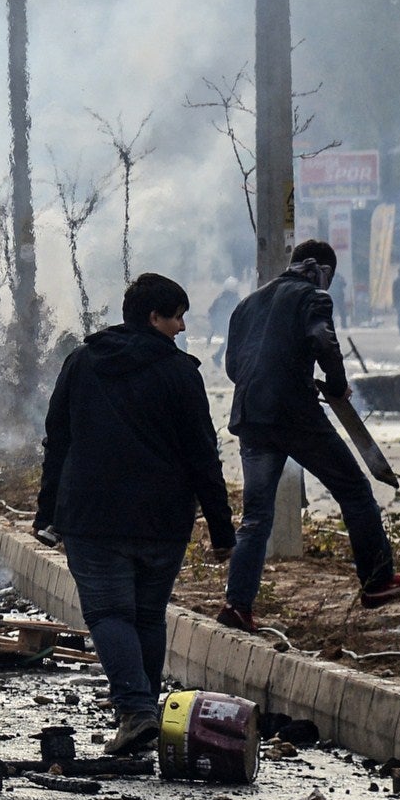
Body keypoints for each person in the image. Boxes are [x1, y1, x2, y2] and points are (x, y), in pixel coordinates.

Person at [34, 274, 237, 756]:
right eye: (177, 316)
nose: (183, 327)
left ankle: (137, 711)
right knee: (146, 615)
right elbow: (202, 455)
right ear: (154, 317)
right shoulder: (180, 373)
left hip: (92, 516)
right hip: (163, 521)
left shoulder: (82, 364)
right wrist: (221, 527)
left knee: (108, 612)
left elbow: (57, 441)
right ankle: (141, 715)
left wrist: (47, 511)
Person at [218, 240, 400, 632]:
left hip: (250, 415)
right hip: (295, 415)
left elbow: (232, 365)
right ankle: (377, 582)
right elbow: (324, 341)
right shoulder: (314, 296)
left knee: (255, 518)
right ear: (326, 270)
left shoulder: (247, 304)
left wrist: (269, 381)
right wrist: (336, 385)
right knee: (355, 491)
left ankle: (237, 606)